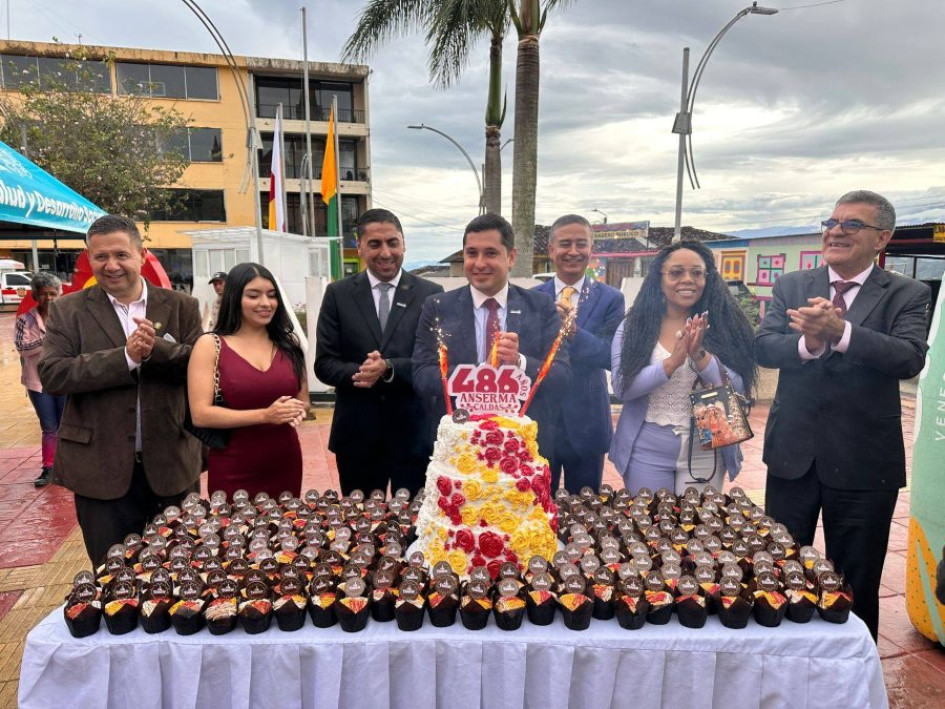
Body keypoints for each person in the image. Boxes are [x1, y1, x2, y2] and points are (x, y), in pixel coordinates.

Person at [756, 189, 930, 641]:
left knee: (855, 581)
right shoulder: (793, 285)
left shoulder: (906, 293)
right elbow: (765, 345)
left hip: (864, 462)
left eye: (852, 224)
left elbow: (910, 358)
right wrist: (810, 344)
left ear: (882, 238)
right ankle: (780, 661)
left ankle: (853, 678)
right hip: (793, 454)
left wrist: (843, 332)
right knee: (780, 572)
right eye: (831, 222)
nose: (835, 230)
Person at [38, 214, 203, 566]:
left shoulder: (180, 306)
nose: (111, 265)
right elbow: (52, 375)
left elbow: (200, 367)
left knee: (183, 573)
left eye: (121, 255)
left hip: (173, 464)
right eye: (100, 257)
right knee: (113, 576)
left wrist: (157, 349)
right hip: (100, 471)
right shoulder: (68, 310)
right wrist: (125, 358)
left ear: (141, 254)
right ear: (89, 258)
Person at [414, 213, 570, 460]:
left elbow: (562, 375)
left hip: (523, 451)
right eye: (471, 253)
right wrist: (481, 374)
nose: (479, 263)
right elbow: (422, 375)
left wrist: (519, 362)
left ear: (511, 257)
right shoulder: (438, 307)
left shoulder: (540, 306)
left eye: (490, 253)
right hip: (459, 448)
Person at [610, 241, 756, 495]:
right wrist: (671, 362)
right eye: (676, 272)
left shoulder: (724, 324)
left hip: (708, 447)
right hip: (647, 448)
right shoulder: (634, 326)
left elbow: (738, 387)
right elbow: (623, 388)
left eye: (697, 273)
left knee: (699, 530)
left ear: (708, 278)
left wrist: (700, 356)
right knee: (650, 529)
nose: (688, 280)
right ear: (659, 278)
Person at [314, 209, 443, 497]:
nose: (385, 253)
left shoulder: (431, 294)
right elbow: (324, 363)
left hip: (413, 435)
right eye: (375, 244)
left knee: (413, 527)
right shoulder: (338, 294)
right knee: (361, 529)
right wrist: (362, 373)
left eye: (392, 243)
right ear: (359, 247)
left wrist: (389, 368)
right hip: (358, 436)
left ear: (404, 244)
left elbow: (435, 363)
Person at [189, 262, 308, 501]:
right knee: (234, 534)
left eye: (272, 295)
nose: (265, 303)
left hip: (285, 460)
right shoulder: (210, 345)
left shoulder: (289, 344)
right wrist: (266, 415)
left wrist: (295, 410)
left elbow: (304, 401)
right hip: (233, 464)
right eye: (253, 295)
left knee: (284, 531)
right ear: (234, 298)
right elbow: (200, 414)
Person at [533, 214, 624, 493]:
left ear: (591, 249)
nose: (573, 252)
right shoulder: (532, 298)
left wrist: (574, 333)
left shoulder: (611, 299)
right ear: (551, 250)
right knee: (535, 511)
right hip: (540, 423)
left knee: (585, 512)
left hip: (587, 424)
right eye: (565, 244)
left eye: (581, 244)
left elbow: (611, 355)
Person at [14, 272, 66, 488]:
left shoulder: (66, 317)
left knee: (67, 425)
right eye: (43, 294)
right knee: (49, 427)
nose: (48, 298)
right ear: (36, 295)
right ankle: (49, 468)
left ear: (59, 294)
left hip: (64, 378)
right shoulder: (24, 320)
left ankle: (69, 467)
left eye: (53, 293)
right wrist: (47, 340)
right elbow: (22, 348)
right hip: (38, 381)